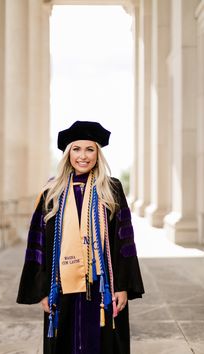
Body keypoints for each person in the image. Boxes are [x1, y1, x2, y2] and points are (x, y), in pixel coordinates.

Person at [17, 121, 144, 354]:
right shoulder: (52, 193)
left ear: (98, 154)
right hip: (61, 285)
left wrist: (123, 286)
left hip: (103, 285)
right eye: (76, 149)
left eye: (89, 149)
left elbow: (124, 243)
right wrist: (42, 290)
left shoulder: (111, 189)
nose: (83, 156)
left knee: (102, 343)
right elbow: (39, 246)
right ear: (67, 154)